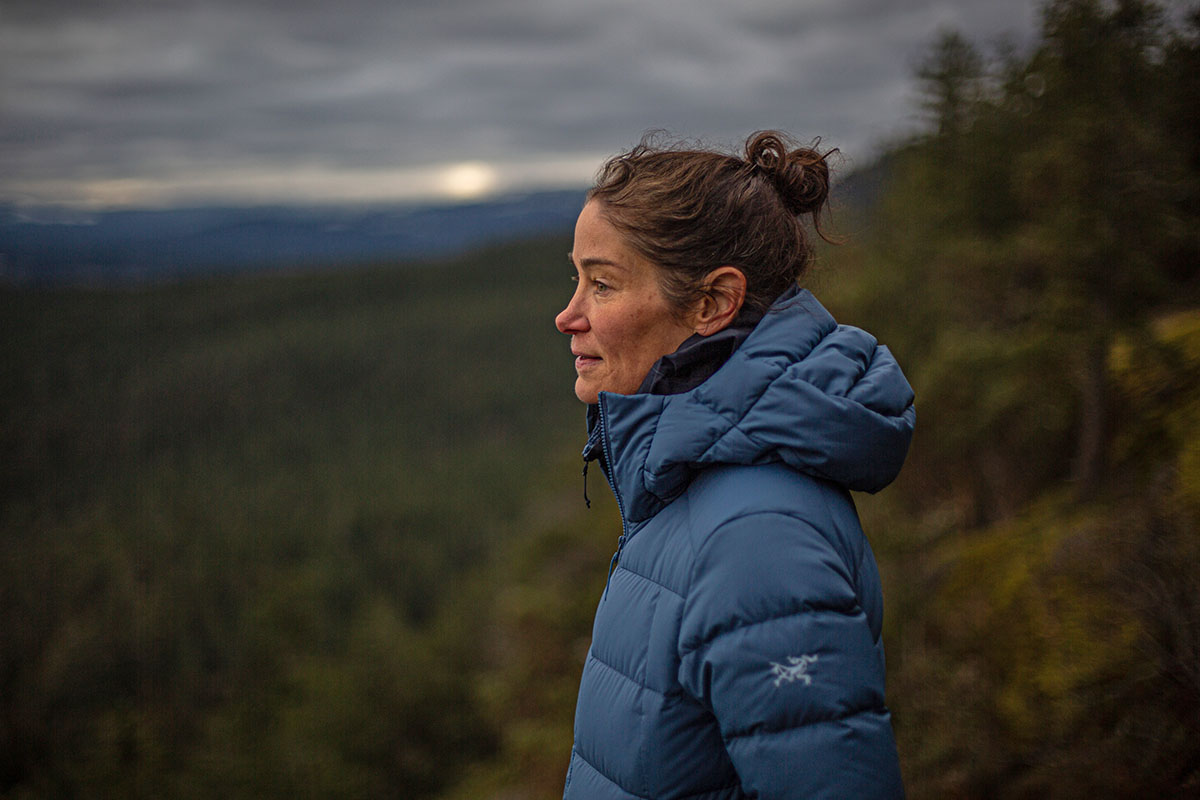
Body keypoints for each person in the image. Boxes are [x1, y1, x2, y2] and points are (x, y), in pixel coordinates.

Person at [554, 131, 915, 799]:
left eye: (601, 284)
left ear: (712, 303)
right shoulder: (691, 490)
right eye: (575, 279)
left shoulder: (756, 537)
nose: (567, 315)